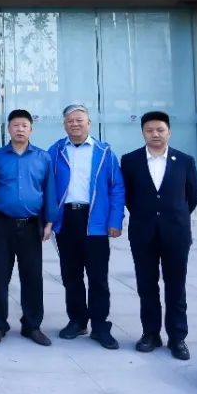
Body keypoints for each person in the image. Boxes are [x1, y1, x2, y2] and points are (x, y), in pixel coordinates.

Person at [121, 111, 197, 361]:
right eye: (149, 130)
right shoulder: (130, 161)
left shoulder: (184, 161)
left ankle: (177, 337)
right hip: (143, 233)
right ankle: (150, 334)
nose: (155, 134)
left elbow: (192, 196)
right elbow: (128, 196)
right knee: (146, 285)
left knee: (176, 286)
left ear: (169, 132)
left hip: (176, 234)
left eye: (160, 130)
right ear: (143, 132)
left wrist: (172, 216)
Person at [49, 104, 125, 350]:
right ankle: (77, 321)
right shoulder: (56, 151)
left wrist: (115, 221)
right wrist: (47, 220)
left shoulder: (104, 152)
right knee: (71, 275)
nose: (75, 124)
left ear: (89, 123)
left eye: (79, 120)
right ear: (64, 125)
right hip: (67, 220)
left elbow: (117, 188)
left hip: (95, 221)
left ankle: (100, 326)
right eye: (70, 121)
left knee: (97, 276)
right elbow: (46, 186)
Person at [0, 109, 57, 347]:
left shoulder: (43, 158)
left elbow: (49, 190)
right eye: (15, 125)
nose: (20, 129)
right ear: (9, 129)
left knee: (32, 277)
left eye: (24, 125)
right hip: (1, 224)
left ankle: (32, 325)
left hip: (31, 225)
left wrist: (49, 221)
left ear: (31, 129)